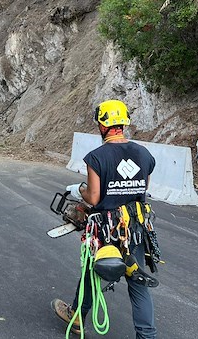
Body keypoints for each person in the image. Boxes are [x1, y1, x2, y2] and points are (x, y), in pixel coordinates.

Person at [52, 99, 157, 339]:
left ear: (103, 125)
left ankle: (76, 318)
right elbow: (142, 190)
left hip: (107, 229)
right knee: (137, 282)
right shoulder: (144, 154)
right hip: (134, 228)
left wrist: (80, 190)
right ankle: (147, 336)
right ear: (123, 123)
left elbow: (95, 197)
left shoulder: (97, 157)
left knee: (92, 273)